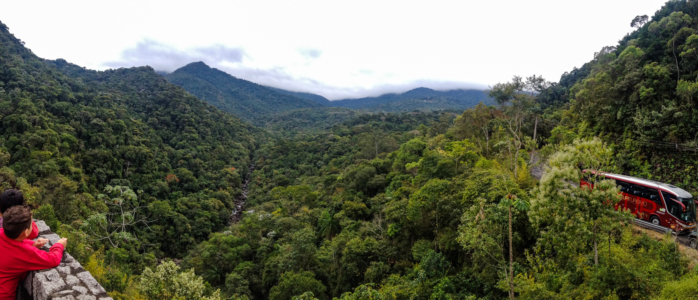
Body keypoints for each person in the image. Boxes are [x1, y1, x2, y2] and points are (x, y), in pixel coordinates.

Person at [0, 206, 66, 299]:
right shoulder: (25, 253)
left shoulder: (1, 232)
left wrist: (32, 244)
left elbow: (11, 243)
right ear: (26, 232)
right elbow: (53, 259)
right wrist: (59, 245)